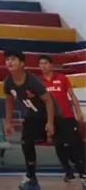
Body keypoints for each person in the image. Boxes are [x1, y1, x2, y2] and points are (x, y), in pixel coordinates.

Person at [3, 50, 59, 190]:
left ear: (22, 63)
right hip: (33, 115)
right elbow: (9, 101)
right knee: (26, 142)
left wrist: (50, 123)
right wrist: (8, 122)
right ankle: (31, 177)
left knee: (67, 145)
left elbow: (48, 101)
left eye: (13, 59)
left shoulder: (32, 80)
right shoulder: (8, 81)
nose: (9, 62)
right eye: (7, 59)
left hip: (53, 115)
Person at [37, 54, 86, 182]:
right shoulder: (38, 82)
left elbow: (72, 95)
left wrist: (78, 110)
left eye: (45, 63)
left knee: (76, 144)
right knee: (59, 146)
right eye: (41, 64)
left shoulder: (62, 78)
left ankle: (83, 171)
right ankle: (68, 172)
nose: (43, 66)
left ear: (51, 65)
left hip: (67, 117)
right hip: (52, 119)